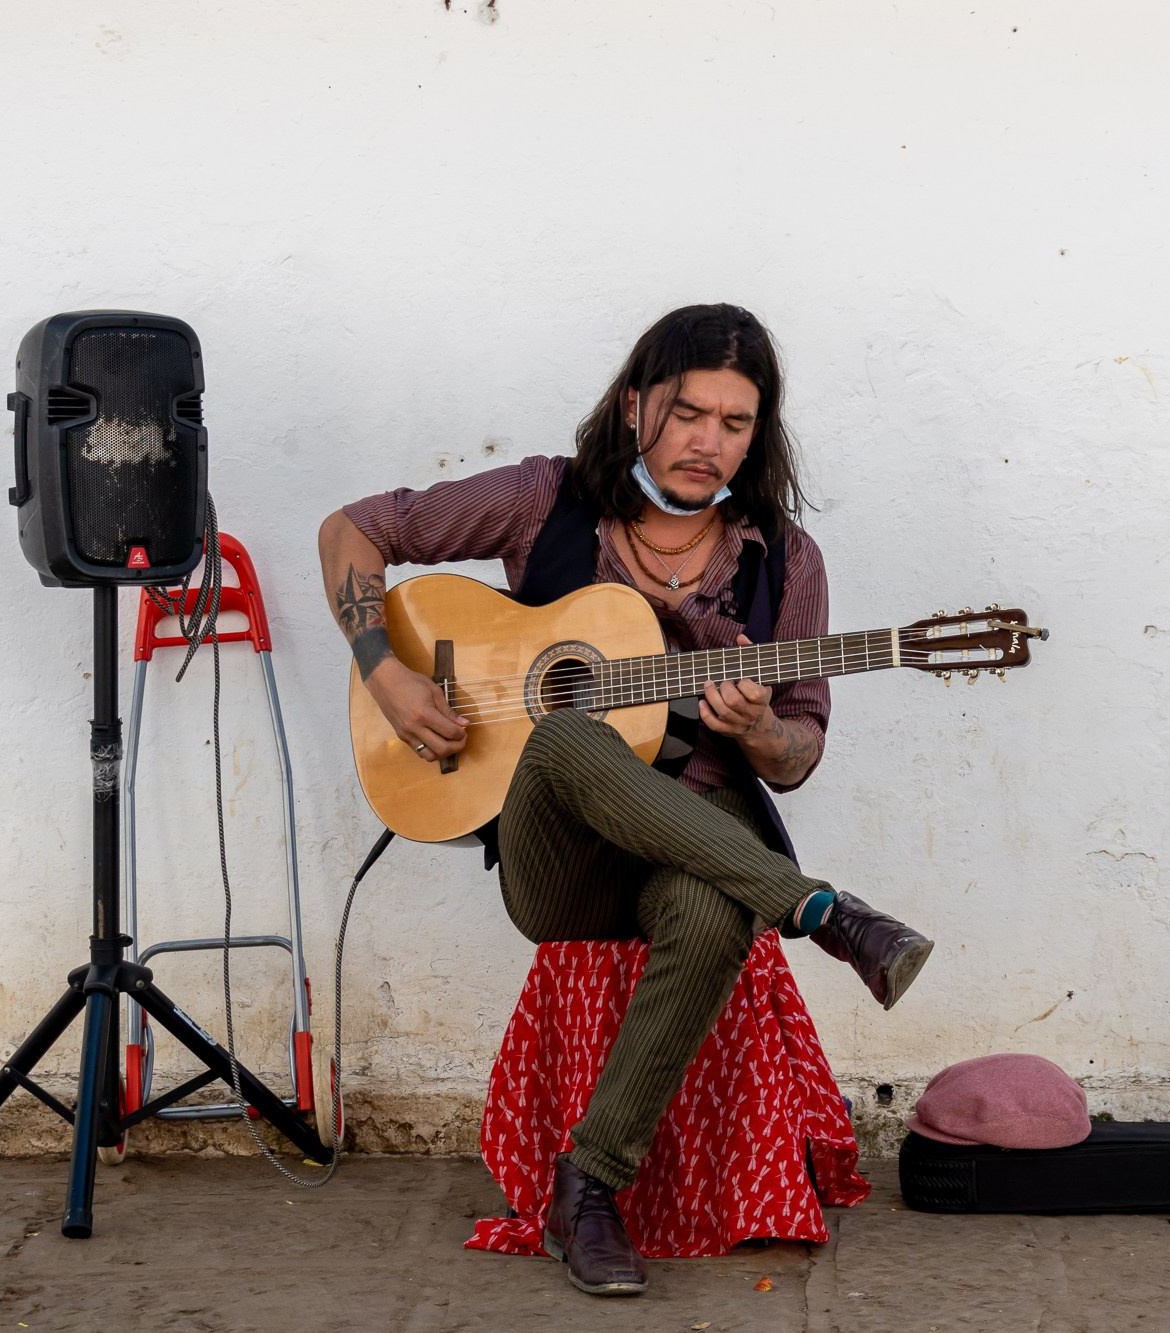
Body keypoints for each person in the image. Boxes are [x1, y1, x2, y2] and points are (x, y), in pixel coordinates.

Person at [316, 304, 933, 1297]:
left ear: (758, 434)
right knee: (568, 735)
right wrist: (386, 673)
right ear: (636, 404)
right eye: (687, 413)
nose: (707, 441)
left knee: (711, 910)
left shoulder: (785, 560)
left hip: (702, 840)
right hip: (560, 857)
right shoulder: (542, 499)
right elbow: (352, 530)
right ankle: (821, 909)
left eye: (734, 422)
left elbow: (798, 751)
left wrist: (758, 732)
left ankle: (589, 1187)